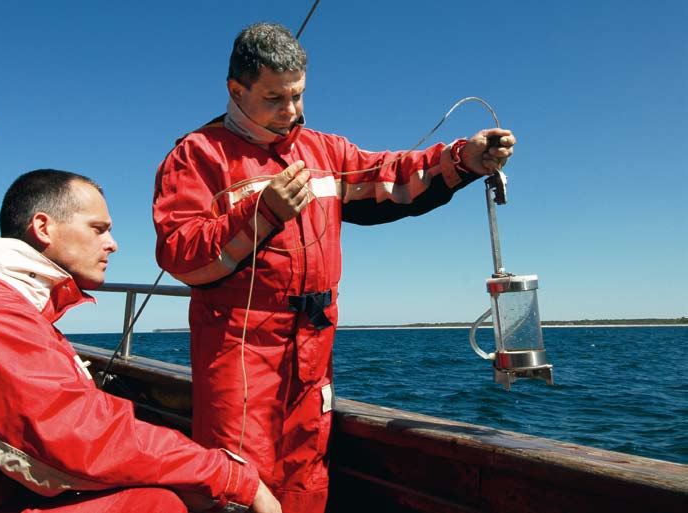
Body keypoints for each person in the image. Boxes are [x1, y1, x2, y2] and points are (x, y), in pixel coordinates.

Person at [152, 22, 516, 513]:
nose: (292, 110)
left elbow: (393, 178)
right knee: (238, 483)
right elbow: (181, 254)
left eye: (298, 95)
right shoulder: (195, 156)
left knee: (307, 476)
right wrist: (262, 212)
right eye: (275, 98)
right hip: (239, 356)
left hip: (313, 353)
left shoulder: (326, 151)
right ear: (235, 90)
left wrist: (465, 158)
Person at [0, 169, 281, 513]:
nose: (112, 244)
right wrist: (235, 478)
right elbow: (85, 440)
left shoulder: (2, 305)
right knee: (152, 506)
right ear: (43, 227)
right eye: (98, 229)